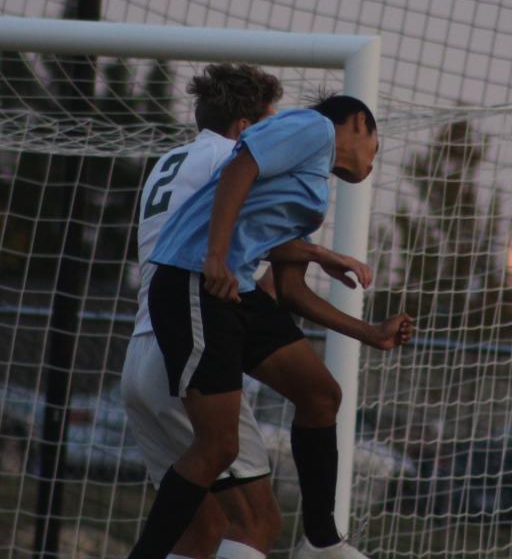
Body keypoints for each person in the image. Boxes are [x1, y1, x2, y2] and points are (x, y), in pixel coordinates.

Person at [129, 94, 415, 559]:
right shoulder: (315, 128)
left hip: (234, 291)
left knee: (321, 395)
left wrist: (370, 331)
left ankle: (322, 544)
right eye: (376, 147)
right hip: (191, 279)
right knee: (218, 447)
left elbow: (292, 291)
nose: (372, 163)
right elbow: (241, 166)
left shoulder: (311, 193)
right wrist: (216, 256)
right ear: (359, 122)